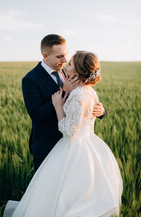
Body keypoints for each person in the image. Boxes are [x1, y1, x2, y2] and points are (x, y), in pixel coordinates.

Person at [2, 51, 123, 217]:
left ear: (78, 72)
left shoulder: (79, 94)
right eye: (64, 59)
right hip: (88, 144)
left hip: (73, 146)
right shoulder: (89, 91)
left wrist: (58, 106)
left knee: (62, 192)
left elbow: (69, 132)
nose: (65, 63)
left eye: (70, 63)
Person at [22, 34, 105, 171]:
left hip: (73, 147)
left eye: (65, 55)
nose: (65, 60)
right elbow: (37, 115)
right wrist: (64, 92)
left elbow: (84, 95)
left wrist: (101, 110)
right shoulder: (31, 79)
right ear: (45, 56)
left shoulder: (70, 71)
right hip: (47, 144)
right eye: (59, 56)